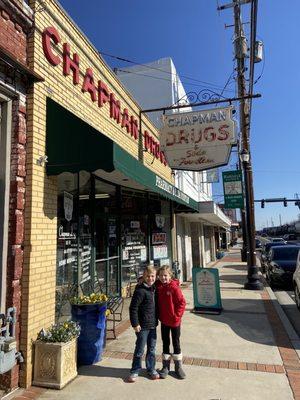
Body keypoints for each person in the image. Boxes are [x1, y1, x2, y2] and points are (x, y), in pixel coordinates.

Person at [127, 266, 160, 383]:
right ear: (143, 276)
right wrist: (135, 324)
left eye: (152, 276)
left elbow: (169, 279)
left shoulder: (154, 288)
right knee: (140, 349)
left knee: (152, 349)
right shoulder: (140, 290)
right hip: (142, 326)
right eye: (148, 276)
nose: (150, 278)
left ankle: (151, 369)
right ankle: (135, 370)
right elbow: (133, 308)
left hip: (153, 325)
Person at [156, 265, 186, 379]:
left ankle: (178, 367)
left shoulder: (174, 287)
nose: (163, 278)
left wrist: (177, 316)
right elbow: (150, 281)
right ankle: (166, 367)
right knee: (165, 342)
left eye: (165, 275)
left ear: (170, 276)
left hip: (175, 322)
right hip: (164, 321)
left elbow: (182, 303)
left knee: (176, 343)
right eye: (161, 276)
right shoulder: (158, 286)